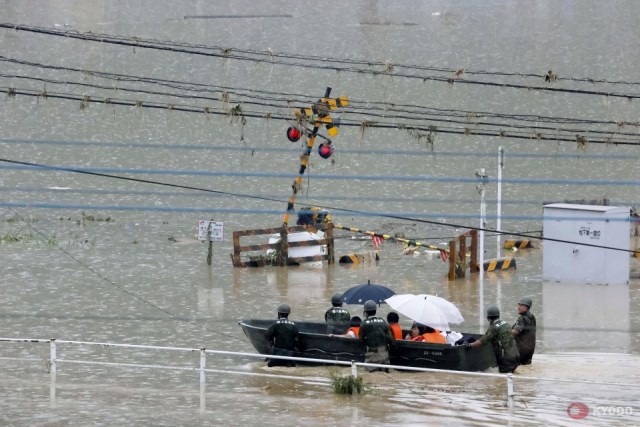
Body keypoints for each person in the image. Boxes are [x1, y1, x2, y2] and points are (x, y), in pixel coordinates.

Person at [467, 306, 520, 373]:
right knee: (511, 377)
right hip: (516, 356)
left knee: (503, 381)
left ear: (488, 317)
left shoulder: (493, 328)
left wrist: (469, 345)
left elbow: (481, 342)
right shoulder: (506, 324)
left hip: (506, 359)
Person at [359, 300, 395, 372]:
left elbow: (361, 339)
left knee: (370, 375)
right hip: (384, 354)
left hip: (371, 355)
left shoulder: (364, 324)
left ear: (365, 312)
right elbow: (391, 340)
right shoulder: (383, 322)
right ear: (375, 310)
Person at [512, 296, 537, 365]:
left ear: (526, 307)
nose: (518, 307)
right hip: (530, 350)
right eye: (519, 305)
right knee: (526, 366)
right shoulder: (532, 317)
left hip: (521, 350)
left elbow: (516, 331)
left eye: (521, 306)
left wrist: (503, 334)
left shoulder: (522, 319)